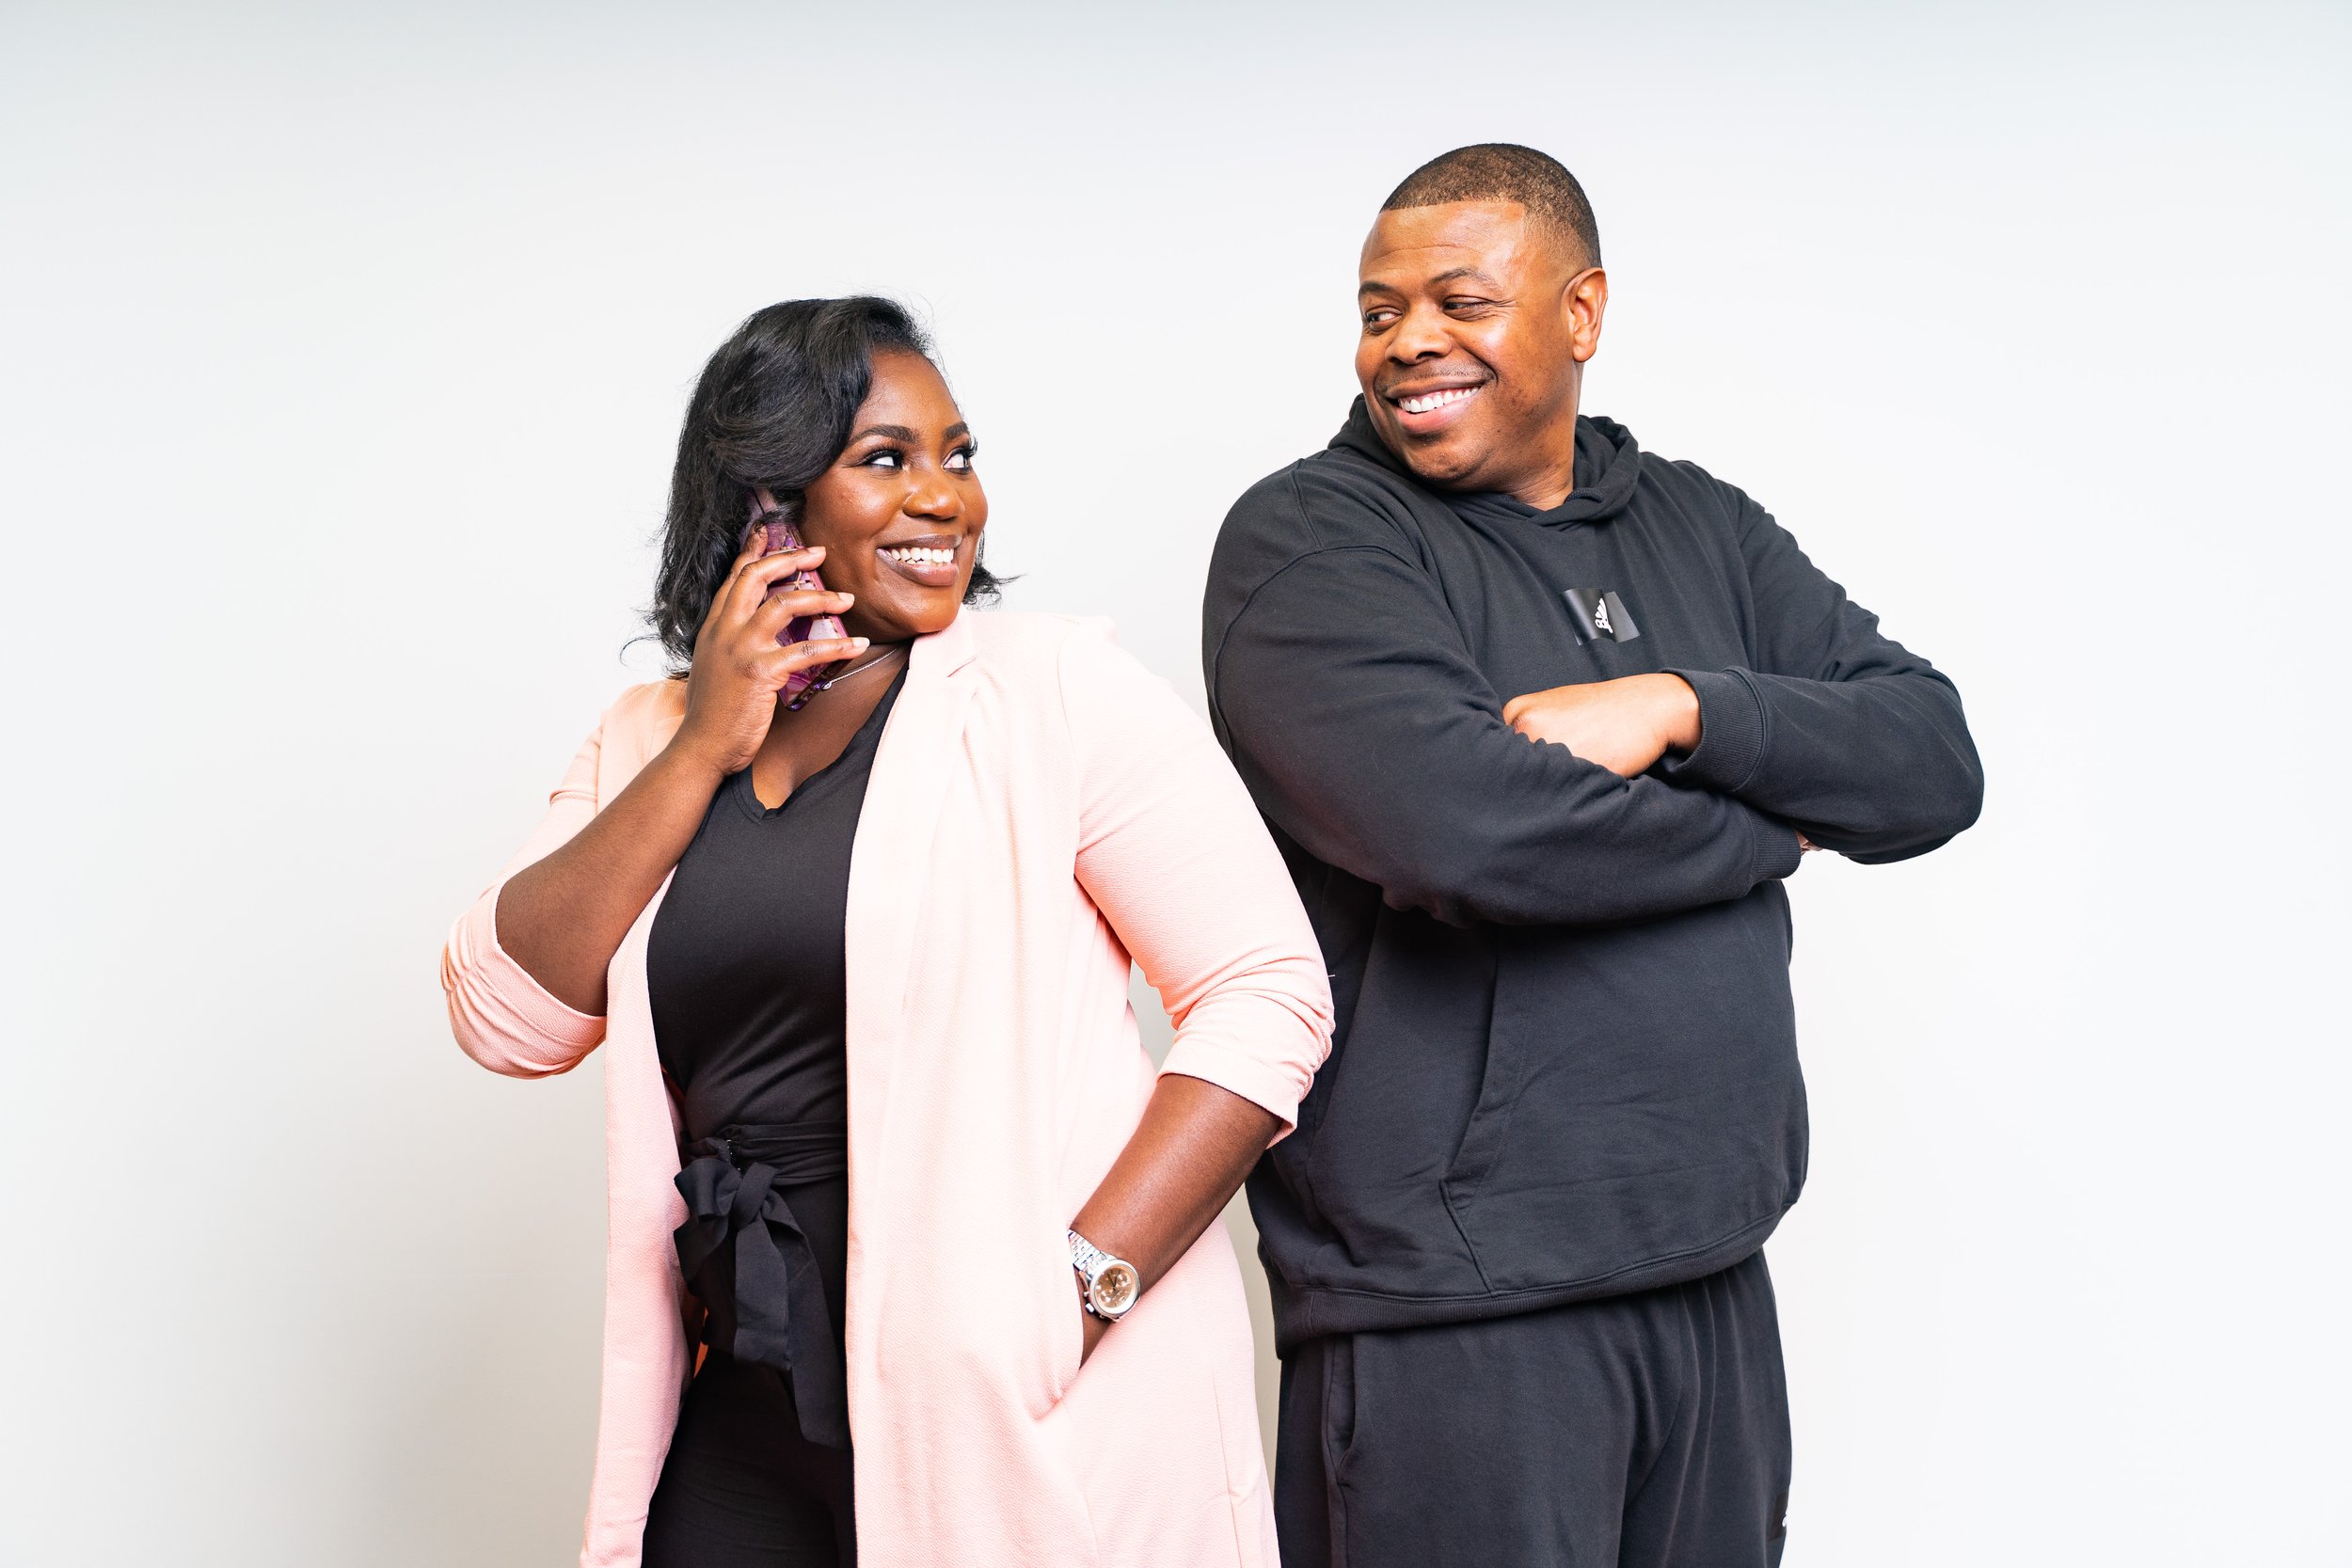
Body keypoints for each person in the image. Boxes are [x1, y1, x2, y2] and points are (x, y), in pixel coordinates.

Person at [444, 297, 1332, 1568]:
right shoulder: (650, 737)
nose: (944, 498)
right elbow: (506, 1016)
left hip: (1010, 1408)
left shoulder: (1054, 693)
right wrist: (703, 744)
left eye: (957, 456)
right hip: (749, 1399)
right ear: (769, 502)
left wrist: (1080, 1293)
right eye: (885, 459)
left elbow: (1268, 991)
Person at [1202, 146, 1984, 1568]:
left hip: (1712, 1268)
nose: (1408, 341)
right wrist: (1776, 822)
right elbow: (1466, 833)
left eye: (1459, 302)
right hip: (1459, 1313)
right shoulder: (1311, 542)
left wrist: (1685, 707)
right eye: (1380, 311)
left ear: (1584, 312)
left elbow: (1929, 759)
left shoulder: (1701, 524)